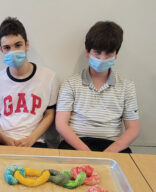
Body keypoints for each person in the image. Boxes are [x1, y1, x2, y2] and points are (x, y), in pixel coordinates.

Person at [56, 21, 140, 153]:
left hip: (112, 145)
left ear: (116, 54)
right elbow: (61, 124)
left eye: (109, 53)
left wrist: (110, 152)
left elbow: (134, 128)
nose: (102, 58)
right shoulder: (71, 83)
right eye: (97, 52)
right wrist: (86, 152)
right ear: (88, 52)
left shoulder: (127, 86)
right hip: (76, 143)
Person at [0, 17, 59, 148]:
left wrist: (31, 139)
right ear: (1, 50)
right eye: (7, 47)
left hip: (36, 141)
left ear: (27, 45)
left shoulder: (49, 77)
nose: (13, 52)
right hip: (1, 141)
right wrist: (4, 139)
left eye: (18, 45)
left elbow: (49, 114)